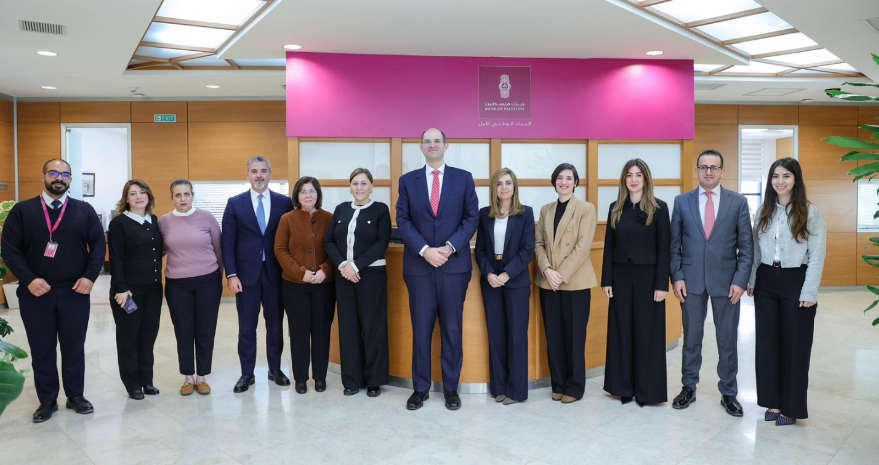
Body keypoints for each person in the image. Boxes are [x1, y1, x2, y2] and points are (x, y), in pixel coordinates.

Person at [1, 159, 104, 422]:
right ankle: (47, 400)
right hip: (36, 293)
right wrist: (28, 279)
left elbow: (98, 245)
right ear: (43, 176)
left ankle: (75, 396)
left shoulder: (84, 210)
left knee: (74, 347)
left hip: (75, 292)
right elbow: (9, 249)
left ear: (70, 179)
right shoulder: (22, 211)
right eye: (54, 173)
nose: (59, 178)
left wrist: (89, 277)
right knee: (42, 348)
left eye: (65, 174)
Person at [396, 127, 479, 411]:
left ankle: (451, 389)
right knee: (420, 330)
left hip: (453, 267)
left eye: (437, 141)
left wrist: (449, 247)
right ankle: (420, 389)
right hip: (419, 268)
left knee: (452, 330)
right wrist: (425, 250)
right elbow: (403, 220)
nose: (432, 145)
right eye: (427, 141)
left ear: (446, 145)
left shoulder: (463, 178)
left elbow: (471, 218)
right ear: (421, 147)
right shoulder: (408, 181)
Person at [670, 149, 753, 416]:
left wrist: (740, 281)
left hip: (727, 283)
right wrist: (677, 276)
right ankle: (688, 387)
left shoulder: (738, 202)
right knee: (692, 338)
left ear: (722, 171)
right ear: (696, 170)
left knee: (727, 340)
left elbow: (747, 248)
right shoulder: (681, 201)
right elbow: (674, 245)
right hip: (690, 281)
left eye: (714, 167)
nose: (708, 172)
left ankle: (728, 392)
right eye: (703, 167)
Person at [747, 158, 826, 426]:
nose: (780, 181)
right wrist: (752, 279)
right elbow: (755, 250)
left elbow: (817, 255)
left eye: (786, 176)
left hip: (796, 280)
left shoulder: (810, 212)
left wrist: (809, 291)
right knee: (767, 344)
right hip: (766, 281)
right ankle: (774, 402)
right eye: (775, 176)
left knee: (795, 345)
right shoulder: (763, 210)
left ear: (796, 179)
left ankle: (792, 407)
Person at [601, 159, 670, 407]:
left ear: (646, 179)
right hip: (620, 278)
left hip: (648, 280)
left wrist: (662, 284)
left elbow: (664, 249)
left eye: (638, 175)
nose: (633, 179)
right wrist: (606, 279)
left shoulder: (659, 208)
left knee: (647, 333)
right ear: (624, 179)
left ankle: (646, 391)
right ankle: (622, 387)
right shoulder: (615, 208)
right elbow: (609, 246)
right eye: (629, 175)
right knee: (621, 331)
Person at [222, 156, 294, 393]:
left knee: (275, 326)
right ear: (248, 175)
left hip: (276, 274)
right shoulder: (235, 203)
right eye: (254, 171)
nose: (259, 175)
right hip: (245, 276)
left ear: (270, 175)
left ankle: (275, 369)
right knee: (246, 327)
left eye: (264, 171)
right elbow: (227, 241)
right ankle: (247, 373)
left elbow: (291, 238)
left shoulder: (284, 203)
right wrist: (231, 274)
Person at [534, 163, 598, 404]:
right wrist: (547, 270)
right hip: (548, 282)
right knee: (554, 336)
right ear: (554, 182)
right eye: (559, 178)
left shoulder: (586, 209)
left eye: (569, 178)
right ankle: (558, 384)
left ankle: (574, 386)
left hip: (575, 282)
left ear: (575, 183)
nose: (564, 182)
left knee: (574, 337)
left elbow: (582, 247)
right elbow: (538, 244)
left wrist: (560, 274)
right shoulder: (546, 210)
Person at [325, 168, 391, 397]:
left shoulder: (380, 210)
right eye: (355, 183)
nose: (359, 187)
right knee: (348, 327)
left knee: (373, 327)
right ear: (350, 186)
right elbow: (329, 241)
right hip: (344, 276)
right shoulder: (341, 209)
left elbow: (382, 242)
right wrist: (344, 265)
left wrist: (356, 266)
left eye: (364, 183)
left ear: (372, 186)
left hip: (371, 276)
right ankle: (352, 380)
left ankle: (374, 381)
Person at [474, 168, 535, 405]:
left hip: (516, 280)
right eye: (499, 183)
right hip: (491, 279)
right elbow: (480, 249)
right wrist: (489, 273)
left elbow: (527, 249)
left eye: (508, 183)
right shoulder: (484, 214)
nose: (504, 187)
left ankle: (516, 391)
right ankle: (498, 387)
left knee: (516, 336)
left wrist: (507, 274)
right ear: (494, 188)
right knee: (496, 335)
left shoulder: (525, 213)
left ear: (514, 186)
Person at [159, 180, 223, 396]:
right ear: (172, 198)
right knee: (183, 330)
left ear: (193, 196)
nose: (183, 198)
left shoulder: (207, 218)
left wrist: (218, 276)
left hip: (208, 281)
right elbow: (160, 250)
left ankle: (202, 376)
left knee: (205, 329)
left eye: (186, 194)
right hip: (177, 284)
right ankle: (188, 377)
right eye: (178, 195)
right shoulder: (164, 222)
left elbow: (218, 249)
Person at [274, 176, 335, 394]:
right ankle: (300, 378)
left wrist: (325, 270)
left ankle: (320, 377)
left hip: (324, 285)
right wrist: (301, 273)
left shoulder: (329, 218)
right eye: (303, 192)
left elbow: (336, 249)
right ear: (296, 196)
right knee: (299, 332)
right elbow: (280, 250)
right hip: (294, 285)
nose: (308, 195)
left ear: (318, 194)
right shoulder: (287, 219)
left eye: (312, 191)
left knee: (321, 331)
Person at [107, 179, 164, 400]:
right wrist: (121, 288)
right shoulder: (119, 223)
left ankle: (146, 381)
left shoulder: (154, 221)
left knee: (148, 336)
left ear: (149, 196)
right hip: (128, 292)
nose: (138, 197)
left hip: (153, 290)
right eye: (133, 193)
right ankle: (132, 384)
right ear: (126, 199)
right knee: (128, 338)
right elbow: (116, 258)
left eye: (142, 192)